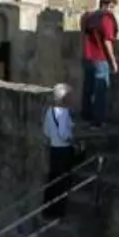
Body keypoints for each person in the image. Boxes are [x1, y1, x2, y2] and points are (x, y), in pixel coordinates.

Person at [80, 0, 119, 126]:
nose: (113, 10)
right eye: (112, 7)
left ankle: (86, 118)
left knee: (88, 89)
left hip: (88, 57)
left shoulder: (90, 17)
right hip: (100, 58)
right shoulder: (106, 18)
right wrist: (113, 61)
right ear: (105, 5)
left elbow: (84, 34)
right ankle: (97, 122)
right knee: (101, 91)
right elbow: (107, 41)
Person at [42, 83, 79, 222]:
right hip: (64, 150)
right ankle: (59, 212)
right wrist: (72, 139)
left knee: (53, 179)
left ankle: (47, 210)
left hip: (53, 149)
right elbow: (64, 134)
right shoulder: (64, 113)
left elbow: (46, 132)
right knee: (63, 182)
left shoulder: (49, 111)